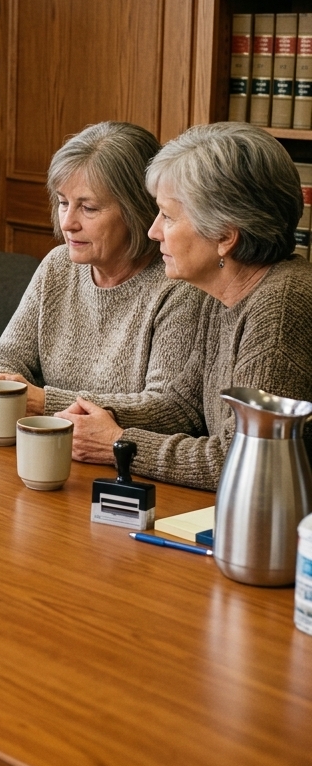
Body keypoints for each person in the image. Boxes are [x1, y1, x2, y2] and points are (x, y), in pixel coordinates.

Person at [58, 121, 312, 490]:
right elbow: (182, 406)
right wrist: (86, 417)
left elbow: (244, 461)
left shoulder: (280, 306)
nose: (153, 231)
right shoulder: (222, 291)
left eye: (169, 216)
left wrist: (119, 444)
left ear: (224, 236)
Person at [0, 121, 205, 417]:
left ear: (138, 211)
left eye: (88, 208)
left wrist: (44, 402)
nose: (67, 223)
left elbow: (166, 409)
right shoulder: (58, 264)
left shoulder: (177, 285)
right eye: (63, 202)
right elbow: (4, 356)